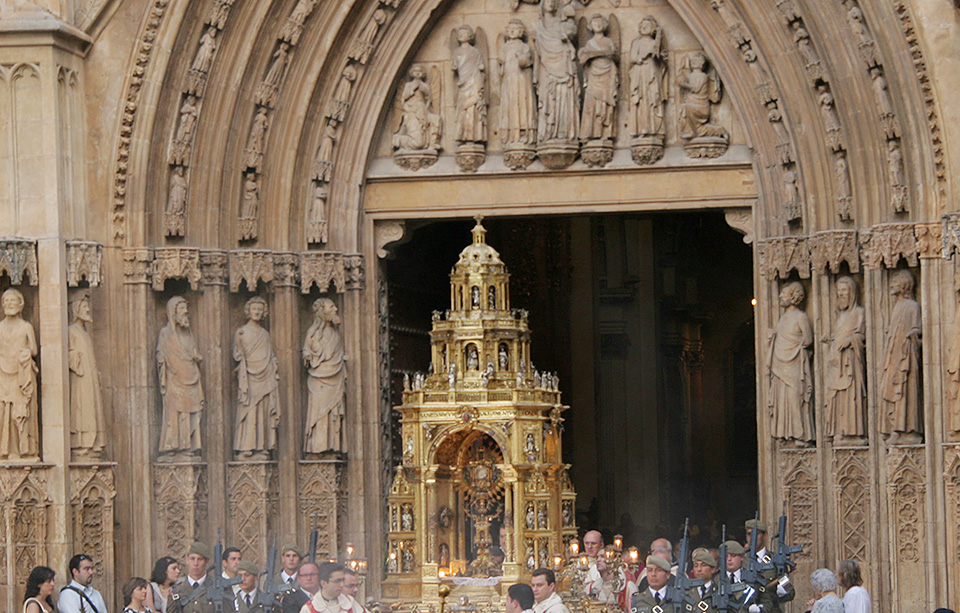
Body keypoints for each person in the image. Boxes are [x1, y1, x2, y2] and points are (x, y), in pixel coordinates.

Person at [744, 519, 795, 613]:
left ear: (764, 536)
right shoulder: (742, 561)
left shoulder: (775, 560)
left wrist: (783, 592)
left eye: (756, 534)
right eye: (749, 534)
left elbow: (790, 593)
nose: (752, 538)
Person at [168, 542, 216, 613]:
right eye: (192, 559)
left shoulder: (217, 588)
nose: (196, 563)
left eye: (200, 559)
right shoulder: (177, 591)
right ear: (187, 560)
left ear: (206, 561)